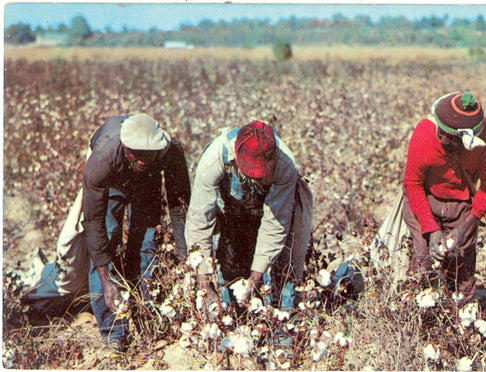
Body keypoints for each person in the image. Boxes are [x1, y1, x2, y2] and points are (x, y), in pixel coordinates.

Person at [23, 113, 191, 352]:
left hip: (148, 183)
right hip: (113, 180)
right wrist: (105, 279)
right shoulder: (102, 158)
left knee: (146, 243)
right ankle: (113, 332)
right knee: (106, 245)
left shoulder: (169, 150)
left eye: (149, 154)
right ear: (125, 147)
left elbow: (179, 206)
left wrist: (185, 256)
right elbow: (94, 223)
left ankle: (147, 316)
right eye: (137, 153)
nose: (143, 159)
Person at [185, 119, 312, 314]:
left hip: (270, 207)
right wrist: (204, 280)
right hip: (229, 206)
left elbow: (275, 224)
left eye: (259, 173)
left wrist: (255, 277)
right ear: (236, 156)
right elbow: (200, 220)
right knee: (223, 260)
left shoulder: (285, 165)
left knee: (285, 263)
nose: (254, 178)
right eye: (250, 172)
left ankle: (282, 324)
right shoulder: (214, 157)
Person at [402, 92, 486, 306]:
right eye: (440, 133)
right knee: (423, 262)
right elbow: (412, 184)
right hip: (425, 198)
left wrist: (466, 226)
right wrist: (431, 228)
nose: (441, 139)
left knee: (460, 269)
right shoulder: (424, 133)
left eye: (447, 138)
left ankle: (457, 321)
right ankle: (414, 318)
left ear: (466, 141)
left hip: (461, 203)